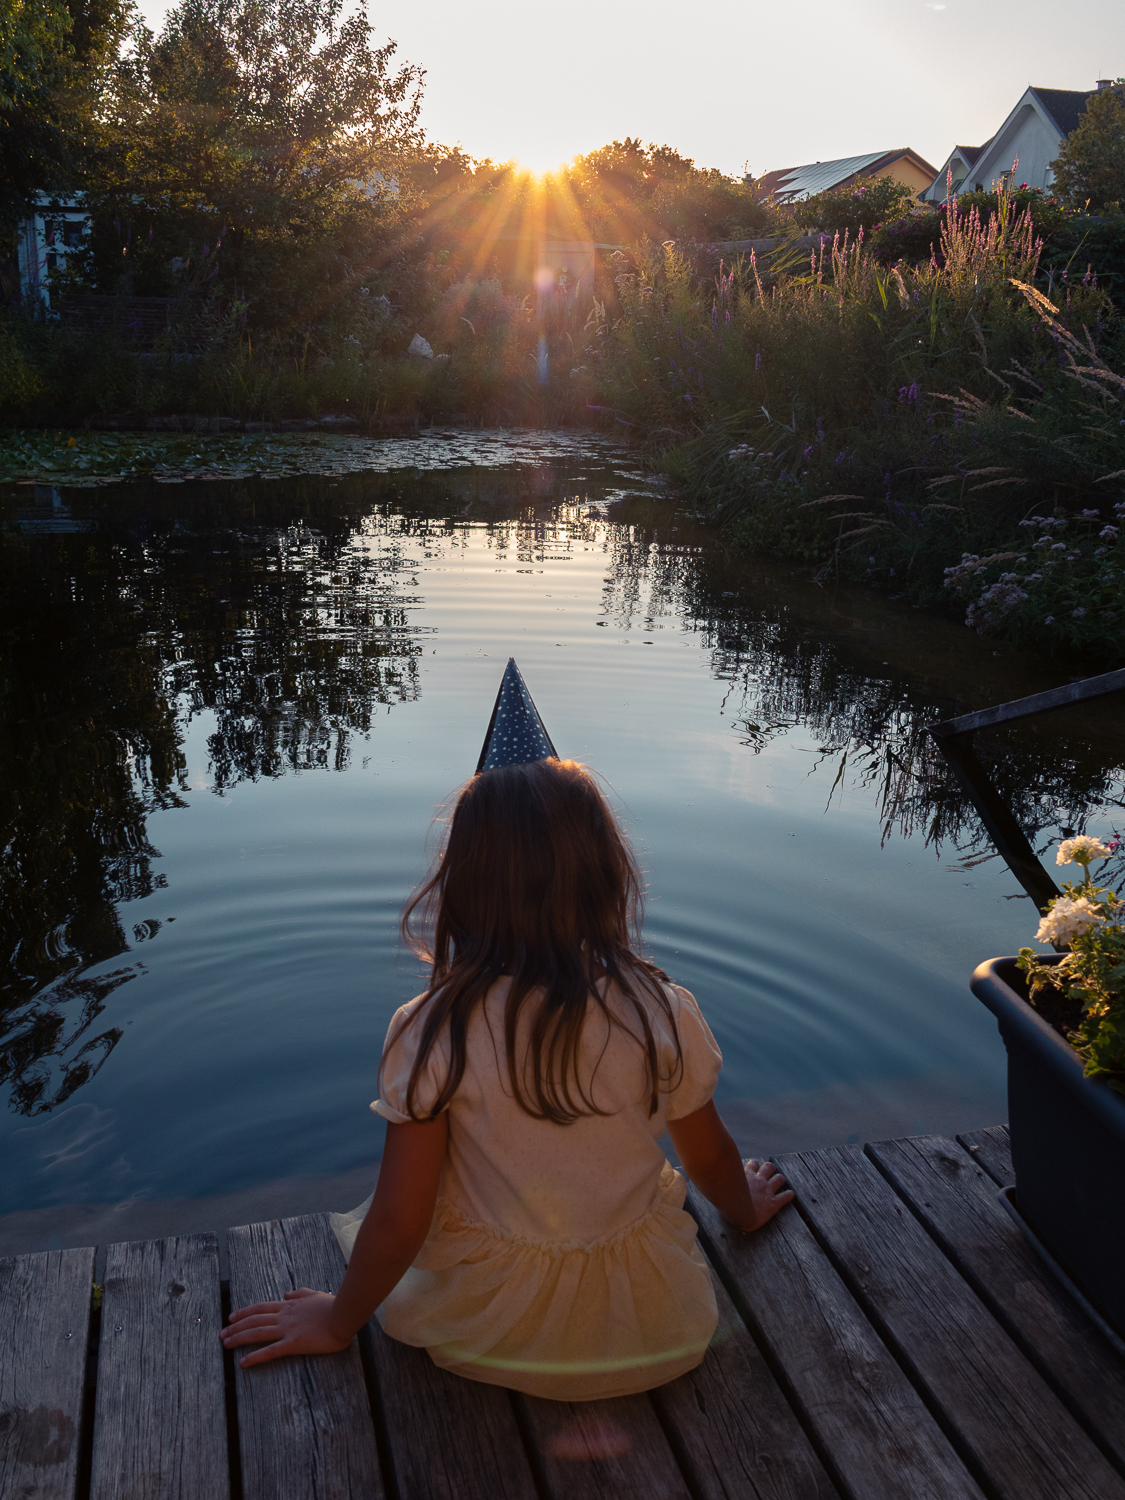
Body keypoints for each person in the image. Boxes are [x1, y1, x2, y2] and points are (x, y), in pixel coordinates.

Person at [221, 674, 793, 1399]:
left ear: (462, 883)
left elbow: (401, 1218)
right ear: (606, 876)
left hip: (486, 1328)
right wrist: (741, 1209)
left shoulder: (431, 1031)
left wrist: (338, 1321)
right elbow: (706, 1154)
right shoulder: (661, 1008)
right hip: (653, 1326)